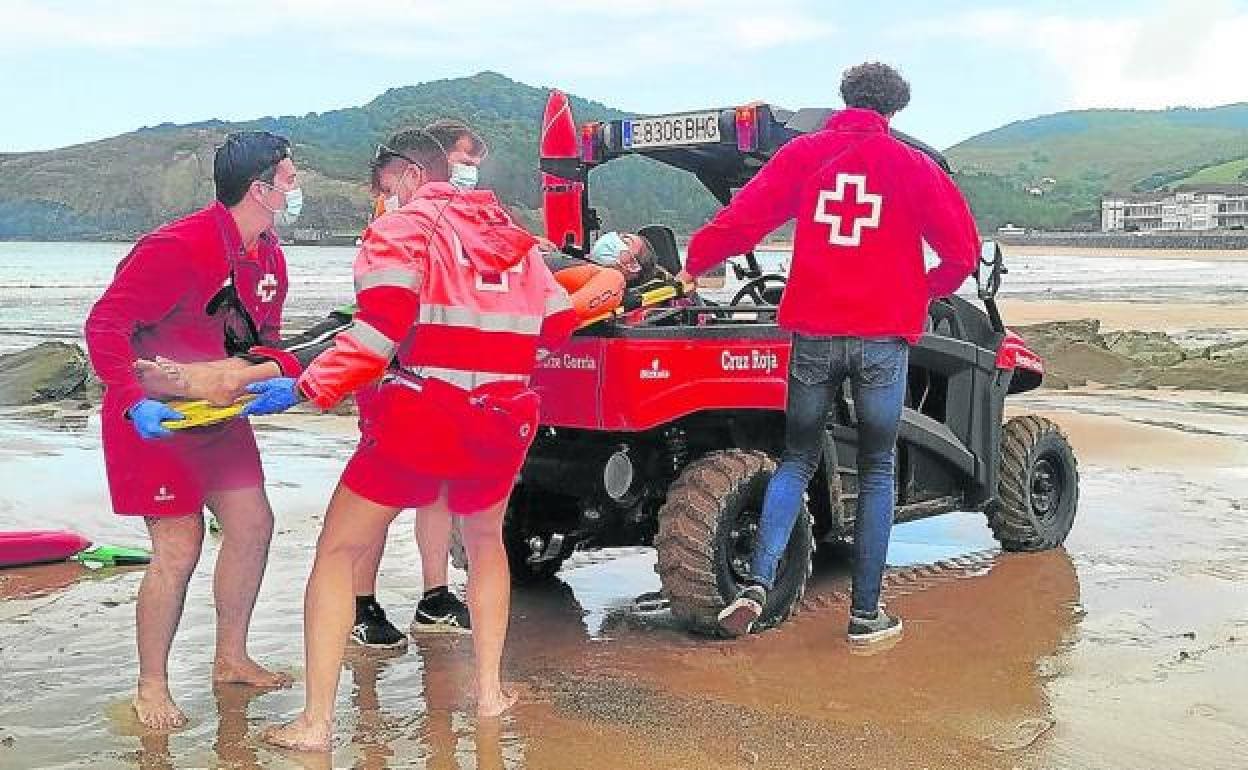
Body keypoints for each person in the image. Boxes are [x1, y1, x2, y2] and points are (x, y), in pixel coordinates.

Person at [248, 127, 576, 751]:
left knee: (338, 552)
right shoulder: (515, 240)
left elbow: (379, 333)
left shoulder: (400, 232)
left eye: (382, 190)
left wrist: (306, 388)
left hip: (426, 420)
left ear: (404, 177)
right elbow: (557, 326)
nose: (383, 203)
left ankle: (314, 725)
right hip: (504, 420)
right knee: (485, 545)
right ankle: (488, 694)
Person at [676, 62, 979, 645]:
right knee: (877, 466)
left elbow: (743, 223)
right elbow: (961, 255)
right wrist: (919, 289)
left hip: (813, 333)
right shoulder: (914, 167)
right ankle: (866, 615)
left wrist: (694, 263)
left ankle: (759, 583)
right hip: (881, 341)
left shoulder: (803, 156)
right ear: (894, 111)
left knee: (796, 458)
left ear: (844, 99)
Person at [83, 131, 300, 729]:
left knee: (254, 526)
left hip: (219, 419)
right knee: (178, 547)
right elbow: (105, 326)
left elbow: (268, 345)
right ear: (260, 188)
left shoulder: (269, 258)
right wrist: (132, 401)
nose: (296, 185)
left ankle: (230, 658)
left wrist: (276, 376)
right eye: (289, 177)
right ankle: (150, 685)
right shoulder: (178, 245)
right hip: (154, 416)